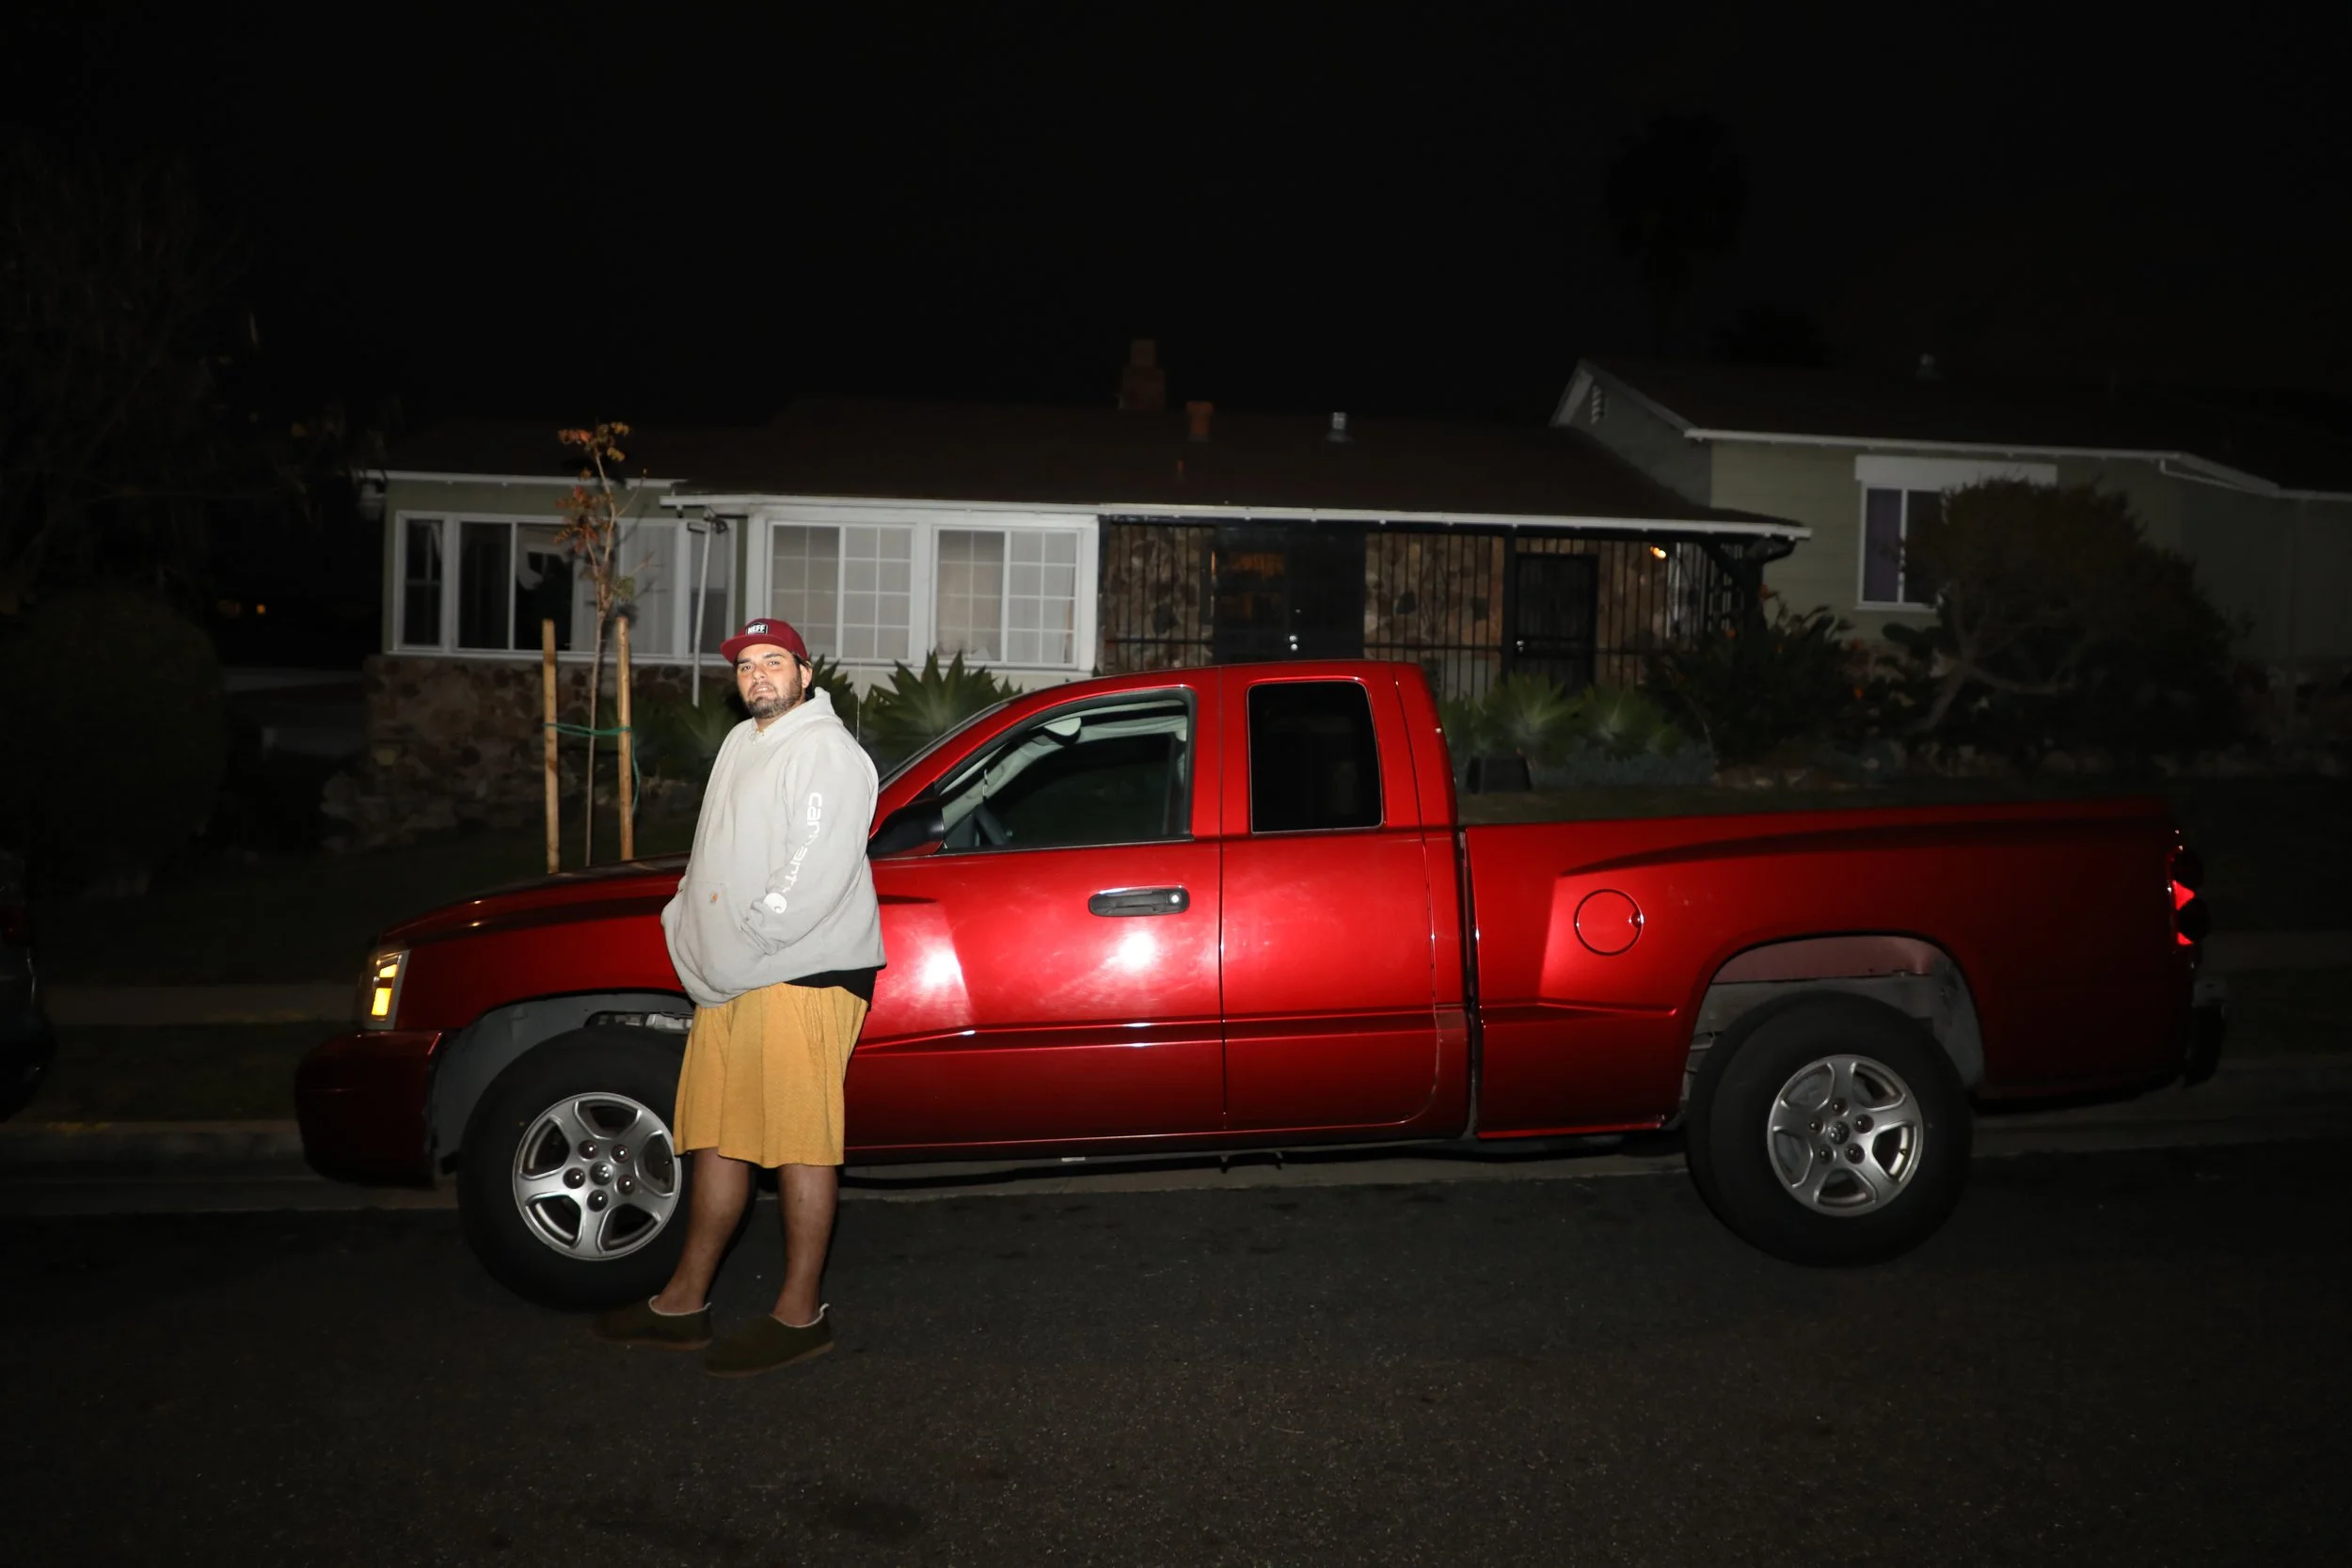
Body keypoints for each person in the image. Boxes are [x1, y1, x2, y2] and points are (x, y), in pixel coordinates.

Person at [592, 616, 884, 1377]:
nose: (758, 674)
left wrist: (751, 936)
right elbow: (710, 849)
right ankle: (682, 1304)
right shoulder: (739, 744)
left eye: (774, 661)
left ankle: (800, 1314)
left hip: (802, 972)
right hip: (731, 975)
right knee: (719, 1137)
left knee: (798, 1143)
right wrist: (683, 922)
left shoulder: (826, 751)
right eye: (747, 664)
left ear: (806, 674)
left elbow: (814, 865)